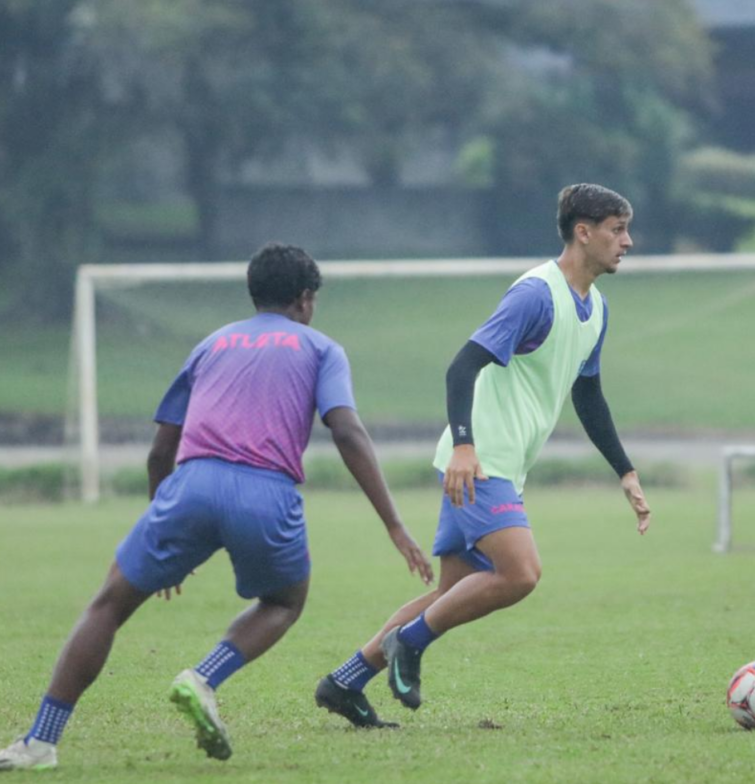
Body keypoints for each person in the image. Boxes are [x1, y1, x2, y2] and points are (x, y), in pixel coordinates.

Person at [0, 243, 433, 771]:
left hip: (190, 484)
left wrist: (164, 530)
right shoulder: (321, 349)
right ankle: (203, 677)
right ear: (305, 299)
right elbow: (346, 430)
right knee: (283, 602)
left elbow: (160, 450)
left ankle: (40, 740)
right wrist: (392, 522)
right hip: (265, 493)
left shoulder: (210, 344)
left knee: (108, 605)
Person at [315, 183, 651, 726]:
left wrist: (625, 470)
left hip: (498, 466)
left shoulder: (596, 311)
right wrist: (466, 448)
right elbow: (460, 367)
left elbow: (587, 395)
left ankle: (344, 682)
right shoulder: (535, 295)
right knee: (520, 573)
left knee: (451, 593)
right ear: (583, 232)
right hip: (479, 461)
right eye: (618, 230)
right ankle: (412, 645)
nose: (628, 242)